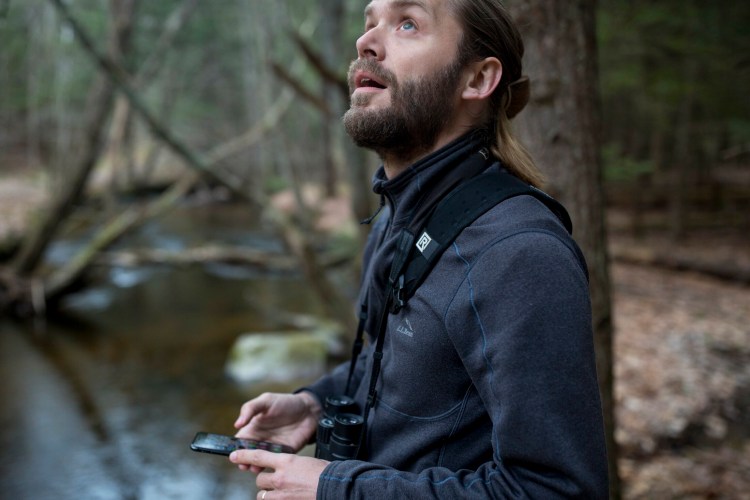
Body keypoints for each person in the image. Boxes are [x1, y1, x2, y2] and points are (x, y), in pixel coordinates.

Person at [229, 0, 609, 498]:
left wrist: (341, 488)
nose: (366, 41)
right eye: (370, 24)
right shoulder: (395, 216)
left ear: (477, 80)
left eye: (408, 23)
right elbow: (406, 367)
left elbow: (556, 490)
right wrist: (317, 403)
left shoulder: (519, 254)